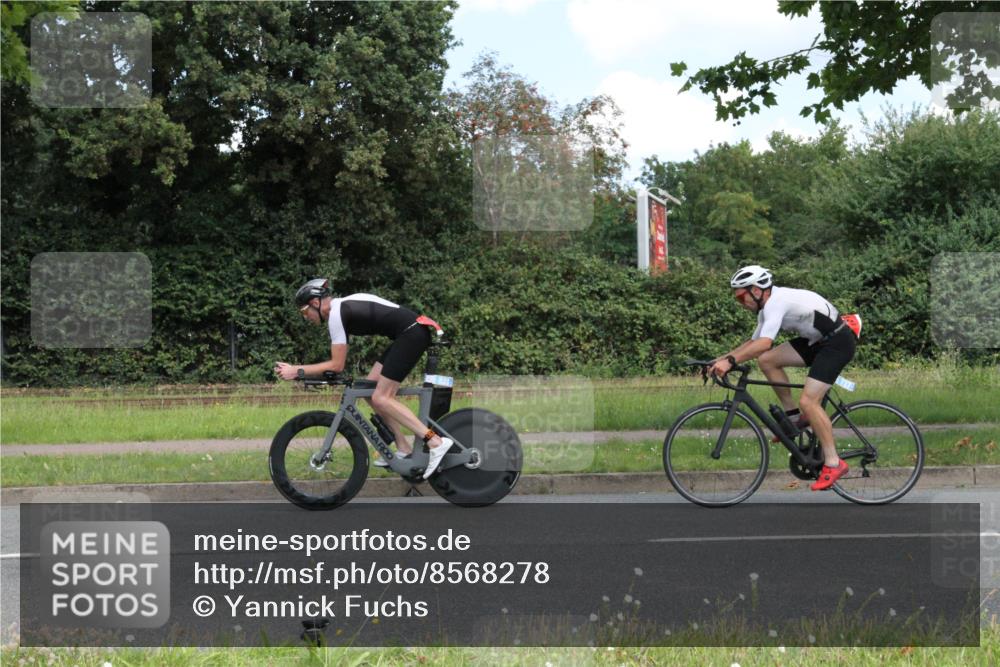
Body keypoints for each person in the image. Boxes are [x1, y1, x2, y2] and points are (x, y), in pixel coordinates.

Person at [274, 279, 452, 479]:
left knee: (381, 397)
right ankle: (403, 447)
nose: (306, 317)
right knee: (369, 389)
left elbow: (336, 365)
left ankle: (435, 441)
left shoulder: (335, 314)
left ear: (315, 303)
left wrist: (297, 370)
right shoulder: (341, 308)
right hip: (408, 333)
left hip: (411, 334)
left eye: (304, 312)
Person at [708, 265, 860, 491]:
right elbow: (754, 344)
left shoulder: (776, 302)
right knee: (767, 360)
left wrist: (730, 362)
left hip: (837, 343)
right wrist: (718, 360)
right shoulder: (766, 309)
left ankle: (833, 462)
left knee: (810, 401)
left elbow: (764, 343)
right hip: (816, 341)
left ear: (757, 290)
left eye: (742, 297)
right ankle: (793, 419)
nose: (741, 303)